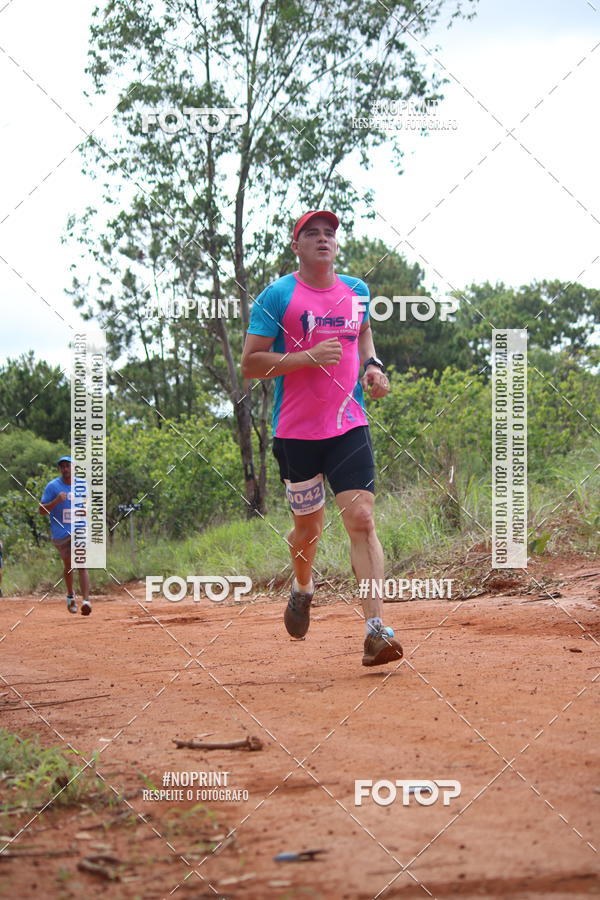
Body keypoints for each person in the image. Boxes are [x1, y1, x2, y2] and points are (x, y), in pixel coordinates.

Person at [241, 209, 403, 666]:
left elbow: (363, 331)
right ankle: (303, 586)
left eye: (329, 232)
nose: (322, 239)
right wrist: (307, 357)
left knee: (362, 519)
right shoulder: (278, 296)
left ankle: (375, 630)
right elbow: (251, 363)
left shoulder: (356, 291)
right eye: (311, 233)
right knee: (308, 528)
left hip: (348, 423)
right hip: (296, 433)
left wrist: (373, 365)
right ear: (296, 246)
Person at [39, 456, 91, 615]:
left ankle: (86, 601)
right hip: (61, 532)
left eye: (68, 466)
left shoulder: (82, 484)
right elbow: (41, 510)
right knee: (69, 565)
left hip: (79, 529)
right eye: (62, 467)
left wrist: (86, 509)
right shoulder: (53, 486)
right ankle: (70, 596)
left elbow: (87, 501)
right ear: (59, 469)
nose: (65, 469)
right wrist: (56, 501)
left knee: (81, 564)